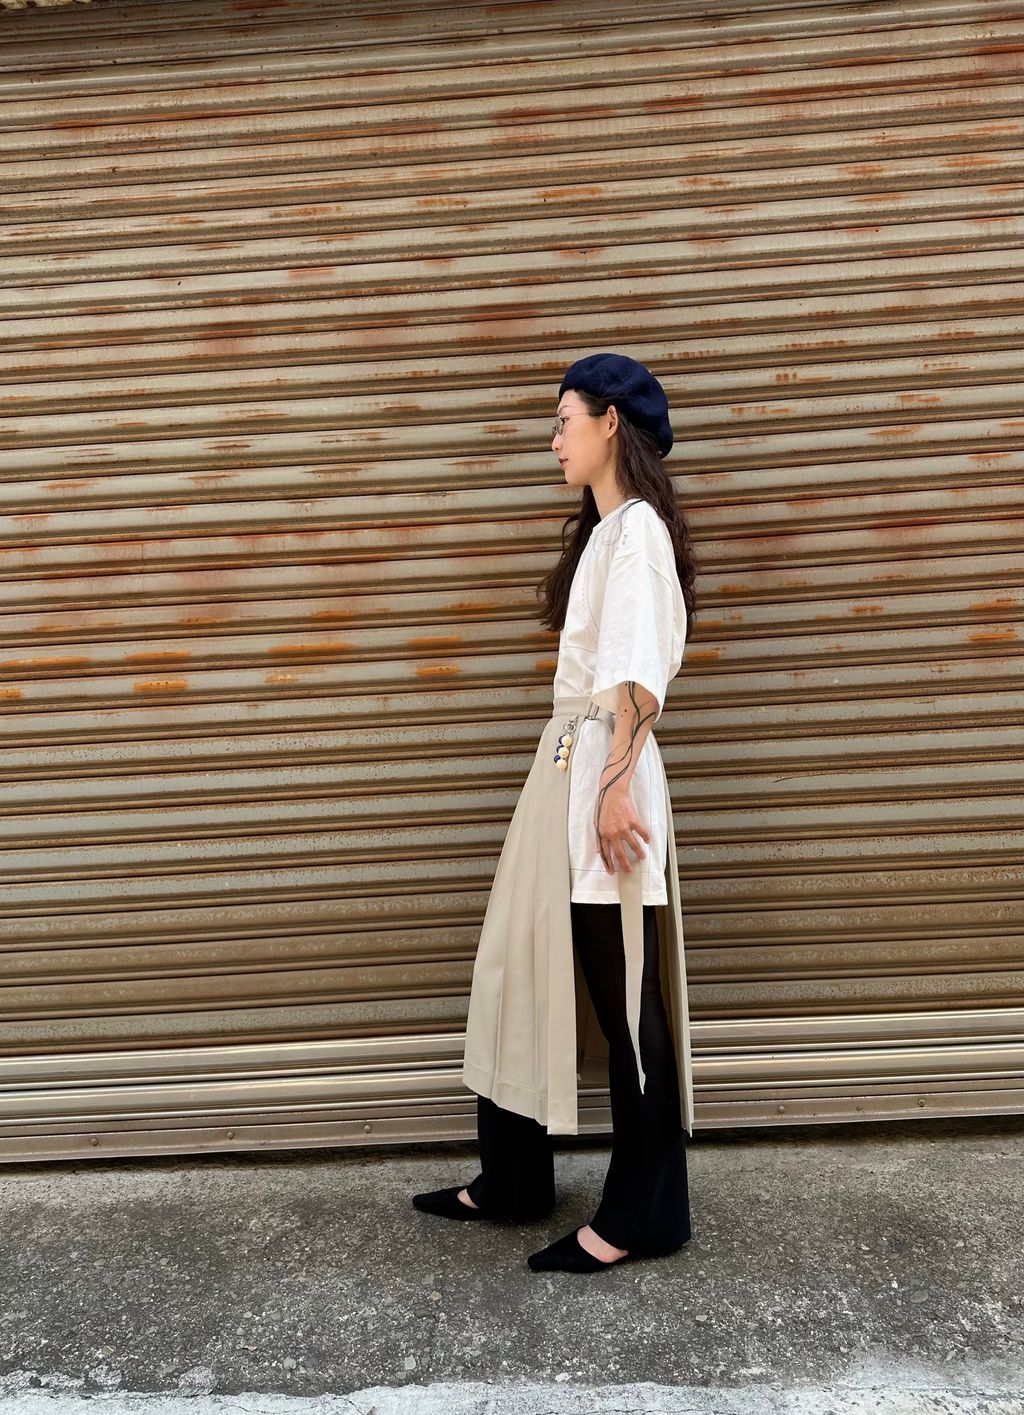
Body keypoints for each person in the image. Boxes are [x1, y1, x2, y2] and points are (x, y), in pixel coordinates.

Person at [412, 352, 699, 1273]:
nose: (554, 440)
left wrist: (613, 788)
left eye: (564, 420)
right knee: (514, 970)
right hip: (570, 768)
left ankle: (643, 1214)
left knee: (625, 1000)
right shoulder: (608, 533)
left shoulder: (639, 531)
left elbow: (639, 677)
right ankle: (513, 1177)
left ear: (611, 421)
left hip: (605, 775)